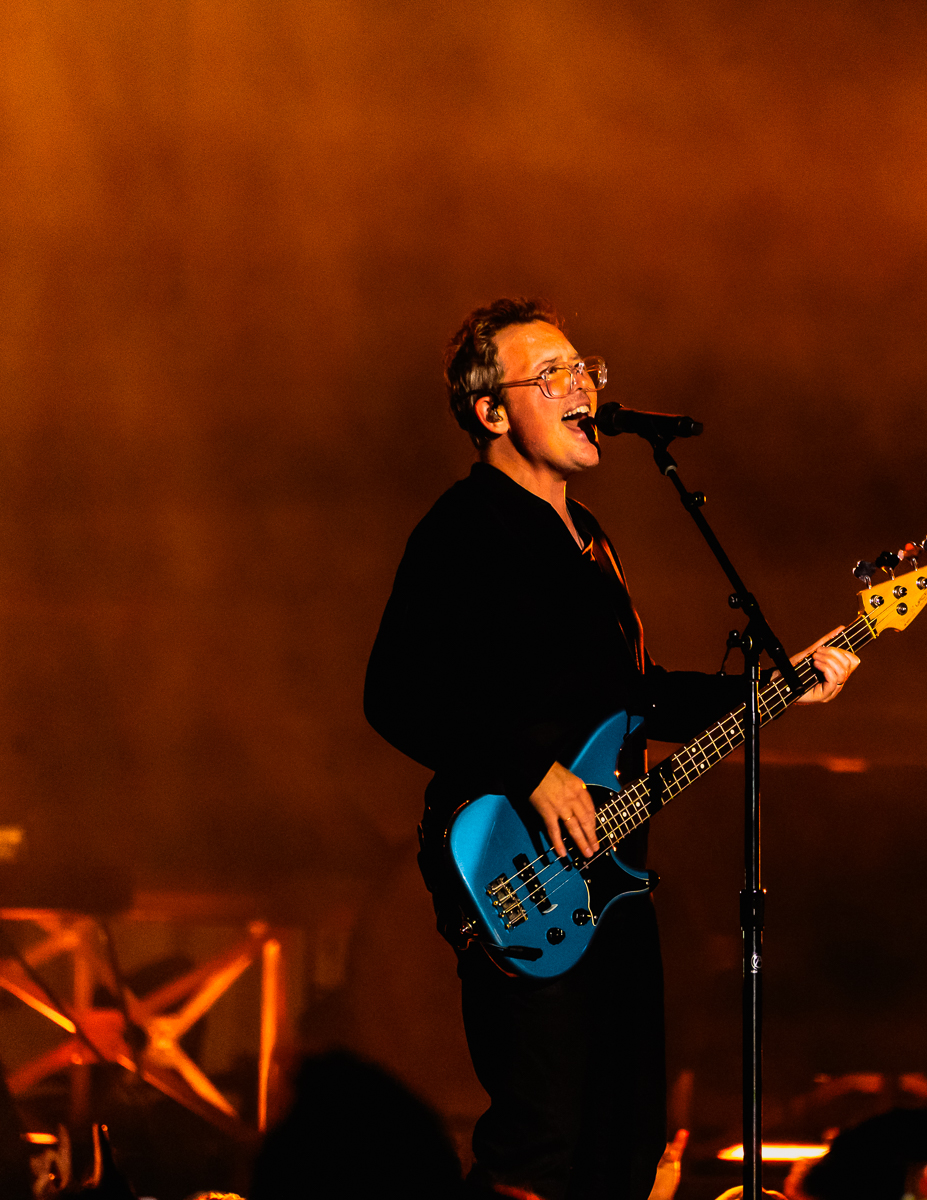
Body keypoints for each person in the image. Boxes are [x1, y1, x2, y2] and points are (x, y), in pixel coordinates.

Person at [364, 298, 859, 1200]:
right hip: (512, 857)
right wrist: (530, 770)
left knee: (626, 1141)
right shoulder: (464, 526)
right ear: (492, 411)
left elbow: (637, 699)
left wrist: (783, 685)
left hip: (611, 866)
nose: (582, 386)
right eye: (550, 374)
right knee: (540, 1138)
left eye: (583, 368)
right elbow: (396, 694)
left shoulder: (591, 539)